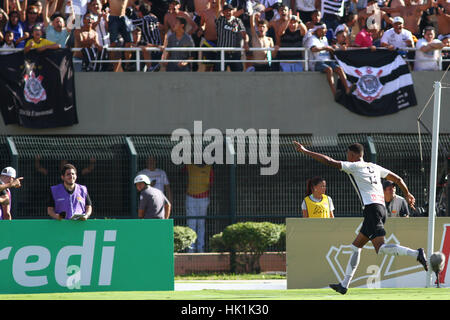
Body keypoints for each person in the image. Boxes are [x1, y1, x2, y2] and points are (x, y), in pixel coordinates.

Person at [292, 141, 428, 295]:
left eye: (348, 155)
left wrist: (306, 151)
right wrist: (407, 193)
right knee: (356, 247)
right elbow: (398, 179)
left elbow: (329, 161)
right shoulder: (375, 167)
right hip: (380, 209)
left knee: (381, 248)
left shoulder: (354, 166)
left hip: (372, 210)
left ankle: (416, 254)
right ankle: (344, 285)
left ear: (353, 155)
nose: (347, 158)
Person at [306, 23, 353, 98]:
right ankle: (334, 92)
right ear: (318, 29)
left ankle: (347, 88)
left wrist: (334, 48)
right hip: (316, 62)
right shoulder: (312, 38)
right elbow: (313, 49)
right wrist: (325, 48)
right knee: (329, 70)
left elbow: (329, 50)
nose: (326, 30)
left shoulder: (324, 39)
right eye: (324, 28)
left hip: (327, 60)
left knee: (339, 69)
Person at [185, 163, 213, 252]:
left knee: (201, 223)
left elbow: (211, 184)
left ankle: (201, 248)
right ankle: (190, 248)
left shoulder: (209, 168)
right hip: (191, 197)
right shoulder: (189, 166)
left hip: (203, 198)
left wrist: (209, 198)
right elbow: (181, 175)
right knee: (191, 223)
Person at [215, 4, 249, 72]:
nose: (228, 12)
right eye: (226, 11)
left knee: (238, 74)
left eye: (230, 11)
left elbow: (244, 33)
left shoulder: (237, 21)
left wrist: (246, 42)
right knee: (219, 74)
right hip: (222, 53)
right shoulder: (220, 20)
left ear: (232, 11)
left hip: (234, 53)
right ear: (223, 12)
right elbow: (217, 9)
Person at [132, 2, 164, 72]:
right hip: (159, 49)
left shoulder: (143, 20)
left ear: (140, 12)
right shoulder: (154, 18)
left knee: (141, 45)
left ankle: (150, 68)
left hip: (152, 50)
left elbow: (129, 23)